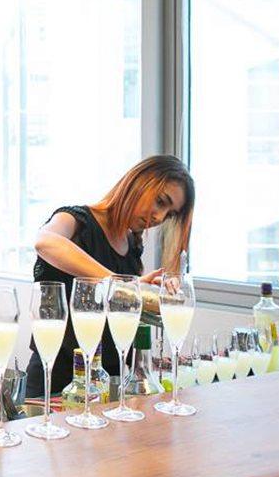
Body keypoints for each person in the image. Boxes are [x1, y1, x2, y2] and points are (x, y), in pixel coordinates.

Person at [24, 155, 195, 398]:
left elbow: (120, 309)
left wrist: (147, 292)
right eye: (160, 202)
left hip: (110, 382)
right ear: (138, 182)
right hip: (55, 379)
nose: (159, 217)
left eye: (168, 214)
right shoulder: (76, 219)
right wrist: (118, 283)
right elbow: (45, 242)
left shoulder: (132, 246)